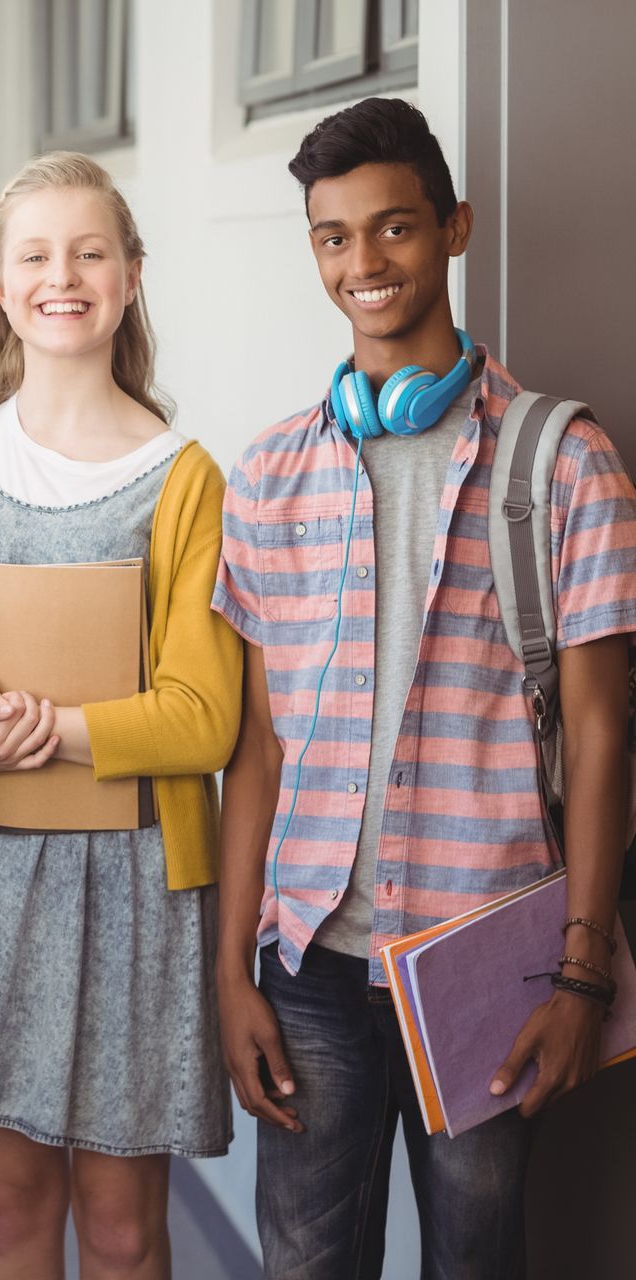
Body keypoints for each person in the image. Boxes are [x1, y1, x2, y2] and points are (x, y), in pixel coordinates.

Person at [214, 97, 636, 1279]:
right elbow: (258, 744)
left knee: (476, 1260)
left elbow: (605, 732)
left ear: (453, 229)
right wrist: (229, 972)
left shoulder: (565, 459)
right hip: (307, 967)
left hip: (487, 961)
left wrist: (583, 970)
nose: (365, 263)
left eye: (393, 229)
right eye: (335, 236)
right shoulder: (271, 473)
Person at [0, 152, 241, 1279]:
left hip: (135, 884)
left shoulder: (187, 477)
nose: (62, 276)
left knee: (126, 1231)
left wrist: (40, 726)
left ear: (131, 278)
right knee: (7, 1214)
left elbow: (202, 719)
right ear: (0, 284)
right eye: (34, 254)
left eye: (90, 252)